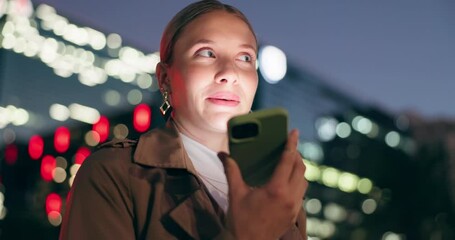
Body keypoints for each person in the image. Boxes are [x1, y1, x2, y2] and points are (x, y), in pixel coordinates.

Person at [59, 0, 308, 239]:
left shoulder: (278, 186)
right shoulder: (114, 173)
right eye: (207, 53)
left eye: (245, 58)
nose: (229, 73)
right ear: (165, 78)